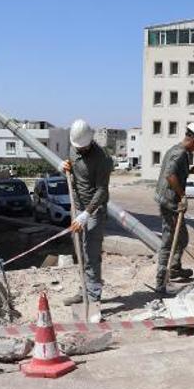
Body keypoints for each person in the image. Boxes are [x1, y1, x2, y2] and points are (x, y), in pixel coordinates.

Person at [60, 119, 113, 322]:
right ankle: (84, 291)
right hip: (77, 208)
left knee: (91, 255)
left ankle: (93, 301)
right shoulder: (74, 146)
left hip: (94, 211)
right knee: (80, 252)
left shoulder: (103, 159)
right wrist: (63, 165)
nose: (79, 151)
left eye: (83, 148)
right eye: (77, 148)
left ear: (91, 141)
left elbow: (102, 191)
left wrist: (86, 213)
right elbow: (71, 164)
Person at [153, 122, 194, 295]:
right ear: (193, 138)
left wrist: (192, 170)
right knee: (169, 240)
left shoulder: (177, 151)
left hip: (168, 199)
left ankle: (174, 268)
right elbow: (170, 175)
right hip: (169, 202)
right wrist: (182, 195)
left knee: (182, 238)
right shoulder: (180, 153)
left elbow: (177, 171)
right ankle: (161, 280)